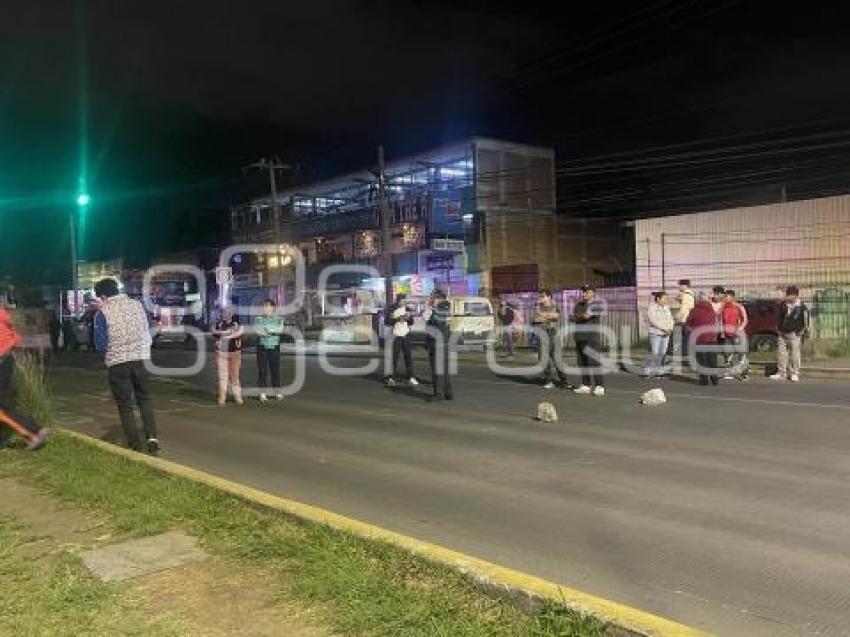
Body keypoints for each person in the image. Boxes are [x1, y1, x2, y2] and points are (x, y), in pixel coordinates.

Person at [93, 278, 159, 454]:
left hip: (118, 363)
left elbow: (100, 344)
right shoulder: (138, 305)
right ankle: (152, 438)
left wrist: (108, 358)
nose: (99, 301)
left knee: (125, 405)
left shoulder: (102, 313)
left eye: (100, 298)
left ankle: (135, 444)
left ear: (104, 295)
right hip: (141, 359)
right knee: (144, 399)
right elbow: (152, 328)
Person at [0, 306, 49, 451]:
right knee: (4, 401)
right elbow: (14, 335)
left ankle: (33, 432)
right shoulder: (3, 313)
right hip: (6, 358)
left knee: (2, 407)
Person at [570, 285, 606, 396]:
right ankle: (586, 384)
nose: (584, 294)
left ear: (593, 293)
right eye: (583, 292)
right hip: (579, 336)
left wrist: (578, 316)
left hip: (591, 337)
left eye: (587, 292)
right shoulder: (579, 305)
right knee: (582, 362)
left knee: (593, 361)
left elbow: (587, 316)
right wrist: (580, 316)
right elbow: (571, 317)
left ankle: (599, 386)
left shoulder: (598, 304)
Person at [770, 285, 809, 383]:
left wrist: (801, 332)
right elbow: (779, 317)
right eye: (787, 295)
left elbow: (806, 321)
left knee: (795, 354)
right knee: (781, 353)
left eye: (790, 296)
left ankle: (795, 373)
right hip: (782, 333)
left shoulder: (801, 307)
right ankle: (781, 372)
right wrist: (778, 329)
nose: (788, 298)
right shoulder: (783, 304)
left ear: (796, 296)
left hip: (794, 334)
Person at [686, 289, 724, 386]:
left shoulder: (694, 310)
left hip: (700, 338)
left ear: (698, 299)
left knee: (702, 359)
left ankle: (704, 379)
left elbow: (688, 324)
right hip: (712, 337)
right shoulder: (711, 310)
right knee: (712, 358)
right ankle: (714, 377)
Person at [532, 289, 567, 389]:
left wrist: (542, 315)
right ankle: (548, 380)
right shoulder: (537, 308)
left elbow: (555, 316)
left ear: (549, 297)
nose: (540, 298)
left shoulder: (555, 306)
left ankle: (563, 381)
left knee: (557, 359)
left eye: (543, 296)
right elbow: (535, 319)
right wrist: (547, 316)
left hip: (553, 335)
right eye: (540, 296)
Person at [211, 307, 244, 405]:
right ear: (222, 314)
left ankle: (237, 396)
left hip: (235, 353)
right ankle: (222, 397)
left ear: (233, 313)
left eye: (230, 312)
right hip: (222, 353)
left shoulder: (237, 324)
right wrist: (225, 333)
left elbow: (239, 332)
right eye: (225, 312)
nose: (227, 314)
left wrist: (224, 334)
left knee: (235, 376)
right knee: (222, 376)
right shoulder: (219, 324)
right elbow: (213, 331)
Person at [254, 299, 285, 402]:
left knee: (275, 370)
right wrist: (272, 330)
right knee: (262, 370)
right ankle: (262, 392)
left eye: (267, 306)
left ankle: (277, 391)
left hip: (275, 346)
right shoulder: (258, 319)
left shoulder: (278, 319)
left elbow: (280, 330)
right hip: (262, 346)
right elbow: (258, 331)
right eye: (264, 306)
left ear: (272, 308)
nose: (265, 308)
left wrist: (268, 329)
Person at [425, 289, 453, 401]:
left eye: (432, 297)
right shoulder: (444, 307)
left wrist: (430, 311)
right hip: (441, 341)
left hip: (438, 342)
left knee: (437, 369)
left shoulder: (442, 307)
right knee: (444, 369)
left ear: (438, 298)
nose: (430, 299)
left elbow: (437, 322)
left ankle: (438, 393)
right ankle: (448, 392)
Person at [385, 294, 417, 387]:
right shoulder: (391, 309)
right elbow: (387, 321)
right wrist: (397, 319)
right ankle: (391, 378)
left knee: (408, 357)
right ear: (398, 301)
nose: (404, 302)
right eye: (402, 301)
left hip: (406, 335)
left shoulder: (407, 309)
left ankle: (410, 377)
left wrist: (408, 318)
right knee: (394, 357)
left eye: (405, 301)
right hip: (395, 335)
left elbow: (412, 322)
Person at [645, 291, 673, 381]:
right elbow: (653, 321)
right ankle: (647, 371)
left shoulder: (666, 308)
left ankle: (659, 372)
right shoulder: (651, 308)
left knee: (663, 354)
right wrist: (663, 328)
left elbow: (671, 319)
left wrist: (670, 328)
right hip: (655, 333)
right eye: (664, 298)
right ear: (658, 299)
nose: (666, 300)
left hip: (666, 334)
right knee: (654, 353)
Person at [721, 290, 749, 380]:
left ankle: (743, 372)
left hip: (738, 334)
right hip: (727, 334)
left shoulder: (739, 307)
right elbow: (721, 320)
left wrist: (739, 329)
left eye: (727, 296)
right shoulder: (723, 307)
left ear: (733, 297)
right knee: (727, 353)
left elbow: (744, 319)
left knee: (741, 353)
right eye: (725, 296)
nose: (725, 298)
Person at [672, 279, 695, 358]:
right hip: (689, 319)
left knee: (684, 340)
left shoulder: (686, 295)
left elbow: (683, 309)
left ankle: (686, 357)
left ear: (684, 285)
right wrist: (679, 300)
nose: (678, 287)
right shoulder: (691, 294)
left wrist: (676, 318)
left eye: (680, 285)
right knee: (687, 339)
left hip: (684, 320)